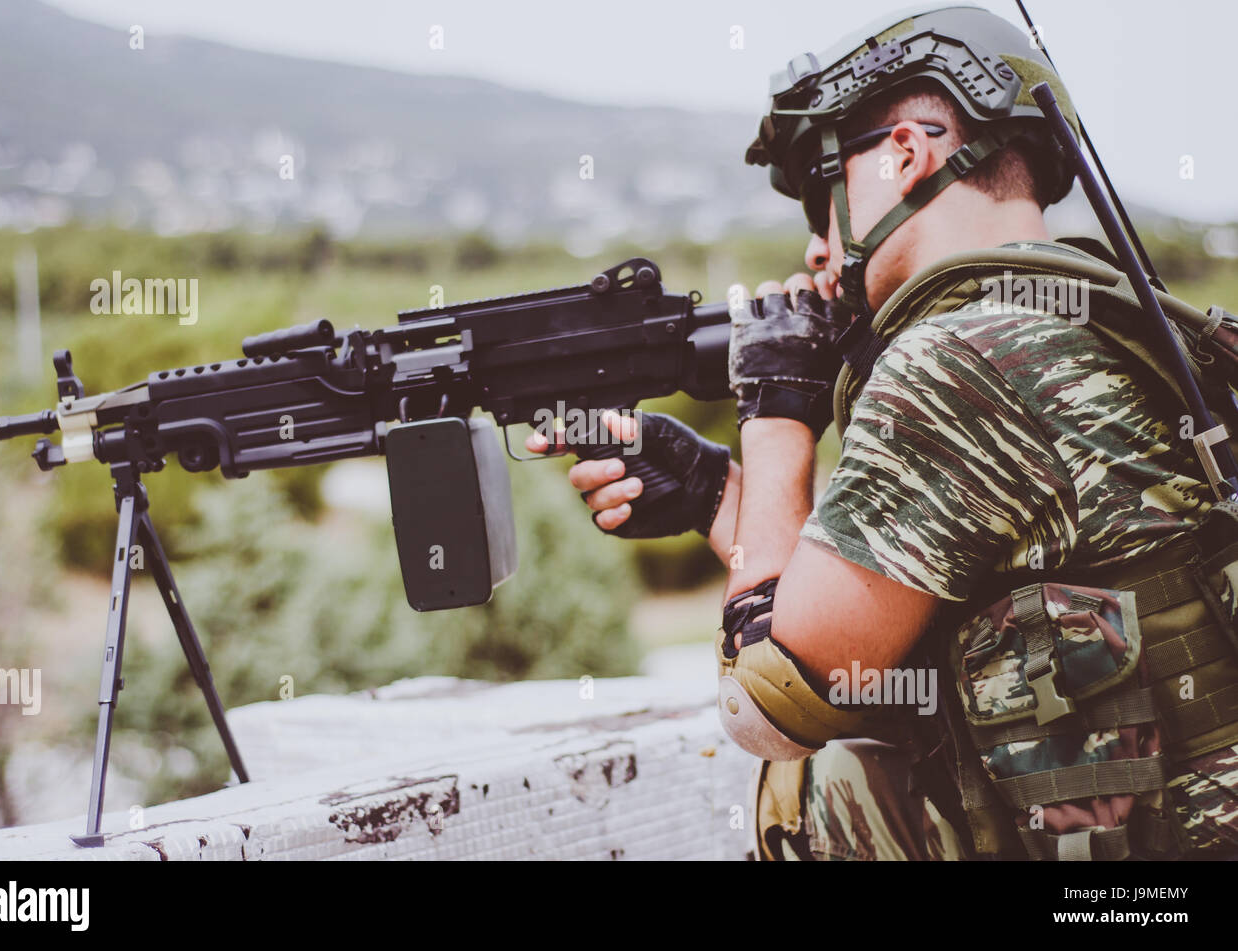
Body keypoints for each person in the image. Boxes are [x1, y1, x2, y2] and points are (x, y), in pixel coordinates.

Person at [528, 4, 1238, 860]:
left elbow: (767, 708)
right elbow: (892, 606)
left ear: (906, 154)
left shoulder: (956, 359)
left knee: (826, 784)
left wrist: (776, 407)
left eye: (823, 201)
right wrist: (724, 496)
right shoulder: (1106, 317)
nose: (821, 250)